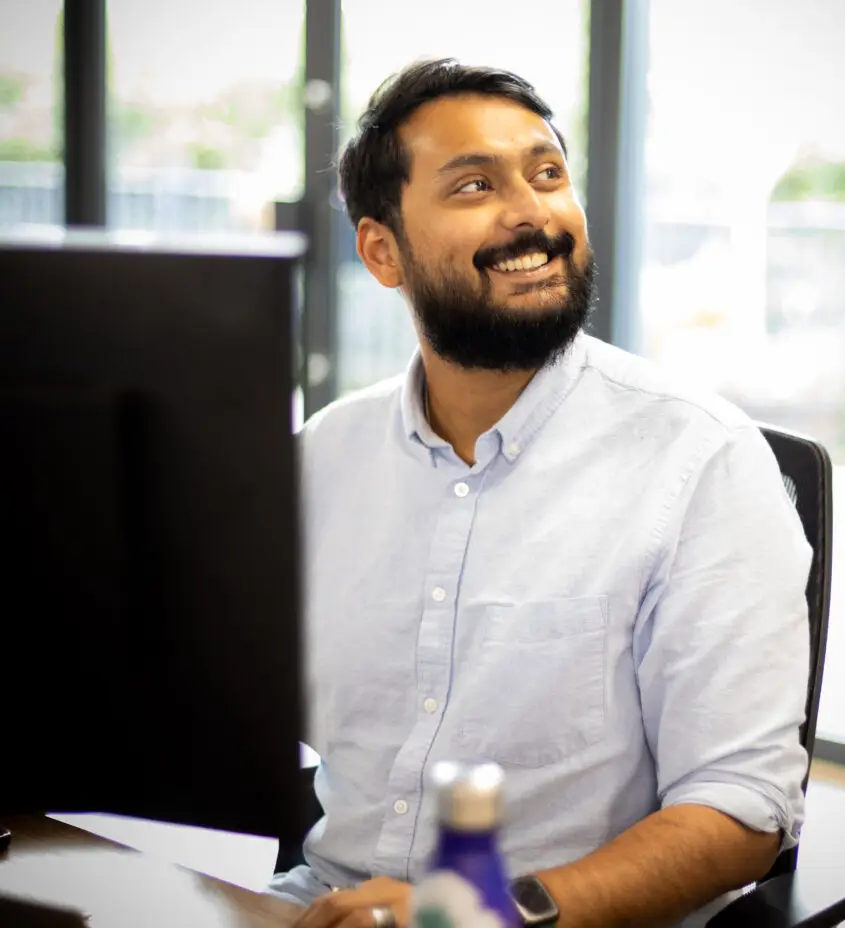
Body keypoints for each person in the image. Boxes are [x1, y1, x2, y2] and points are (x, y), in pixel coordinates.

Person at [268, 59, 812, 928]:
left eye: (548, 174)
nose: (532, 213)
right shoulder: (321, 459)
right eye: (476, 184)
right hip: (325, 906)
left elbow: (742, 810)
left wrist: (492, 913)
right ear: (381, 250)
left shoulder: (704, 462)